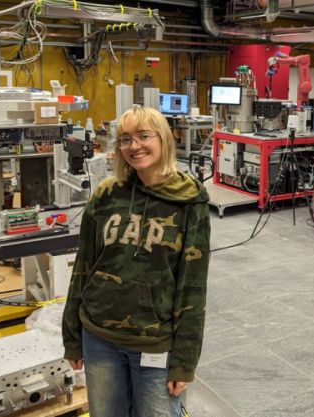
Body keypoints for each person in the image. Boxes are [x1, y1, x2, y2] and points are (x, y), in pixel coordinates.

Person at [62, 105, 211, 417]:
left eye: (144, 136)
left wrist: (184, 361)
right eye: (125, 139)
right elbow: (83, 267)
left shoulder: (189, 201)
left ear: (164, 140)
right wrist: (72, 337)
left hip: (155, 342)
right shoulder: (106, 194)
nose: (134, 146)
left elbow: (192, 288)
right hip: (99, 336)